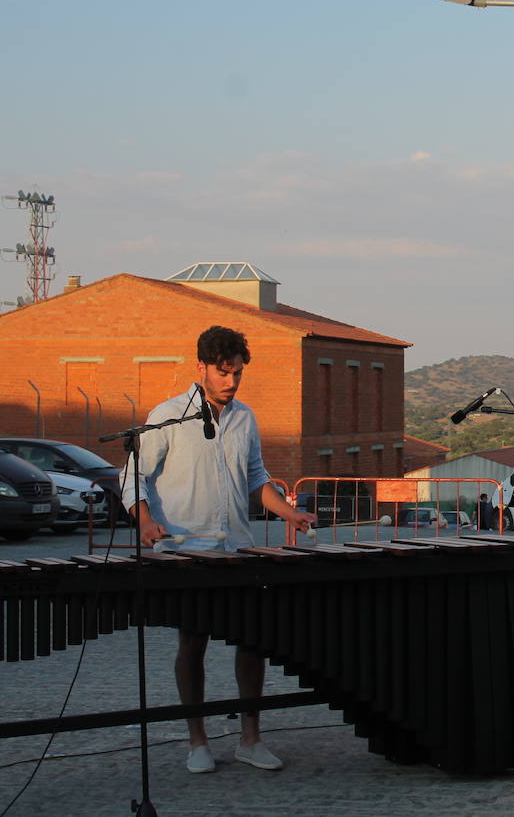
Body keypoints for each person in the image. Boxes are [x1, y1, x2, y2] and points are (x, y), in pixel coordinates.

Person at [126, 325, 316, 774]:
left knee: (252, 642)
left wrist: (289, 514)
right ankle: (198, 741)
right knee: (193, 643)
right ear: (201, 368)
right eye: (223, 371)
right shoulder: (169, 415)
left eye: (237, 373)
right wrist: (146, 520)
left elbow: (256, 480)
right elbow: (133, 475)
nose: (231, 381)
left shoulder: (245, 419)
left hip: (238, 549)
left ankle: (250, 739)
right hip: (187, 550)